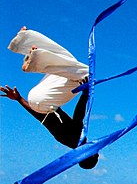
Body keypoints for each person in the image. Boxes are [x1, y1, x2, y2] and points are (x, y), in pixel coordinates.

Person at [2, 27, 99, 169]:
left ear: (88, 154)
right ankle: (27, 43)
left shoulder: (77, 139)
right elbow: (41, 116)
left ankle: (35, 59)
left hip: (43, 100)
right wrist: (19, 99)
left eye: (95, 153)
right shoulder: (64, 140)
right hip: (39, 100)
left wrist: (85, 94)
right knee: (67, 62)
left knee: (86, 74)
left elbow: (78, 116)